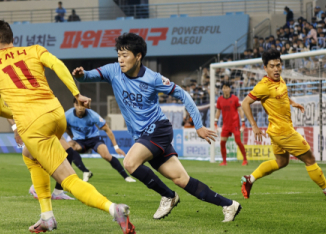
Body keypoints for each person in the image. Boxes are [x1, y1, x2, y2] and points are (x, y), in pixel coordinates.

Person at [0, 20, 135, 234]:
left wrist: (16, 119)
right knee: (29, 155)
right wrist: (76, 94)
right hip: (56, 114)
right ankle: (46, 216)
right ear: (11, 38)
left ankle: (113, 209)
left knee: (68, 180)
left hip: (33, 124)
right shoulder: (33, 50)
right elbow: (58, 65)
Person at [72, 33, 242, 222]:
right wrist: (81, 75)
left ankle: (168, 196)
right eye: (118, 55)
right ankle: (229, 204)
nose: (120, 60)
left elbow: (184, 95)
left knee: (129, 163)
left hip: (158, 129)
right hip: (143, 136)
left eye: (125, 55)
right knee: (181, 179)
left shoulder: (153, 79)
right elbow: (88, 76)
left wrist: (199, 126)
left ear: (138, 56)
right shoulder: (113, 71)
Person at [240, 49, 326, 199]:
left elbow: (280, 97)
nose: (276, 69)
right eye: (272, 66)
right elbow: (245, 103)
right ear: (265, 68)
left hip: (277, 131)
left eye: (278, 65)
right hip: (284, 132)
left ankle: (250, 179)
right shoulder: (263, 86)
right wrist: (254, 125)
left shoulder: (280, 79)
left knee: (281, 162)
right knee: (309, 159)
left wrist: (292, 103)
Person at [7, 118, 89, 200]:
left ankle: (57, 192)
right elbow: (7, 113)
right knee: (43, 156)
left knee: (68, 152)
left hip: (49, 122)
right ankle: (38, 187)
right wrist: (15, 129)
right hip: (36, 125)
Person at [66, 98, 136, 183]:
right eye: (78, 105)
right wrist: (71, 135)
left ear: (85, 105)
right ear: (74, 105)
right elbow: (64, 126)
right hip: (79, 141)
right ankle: (86, 171)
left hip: (94, 139)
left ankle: (126, 176)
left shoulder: (93, 115)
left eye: (82, 105)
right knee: (69, 146)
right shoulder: (67, 115)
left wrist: (116, 147)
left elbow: (107, 129)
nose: (80, 108)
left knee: (106, 155)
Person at [215, 83, 248, 166]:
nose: (225, 89)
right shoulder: (219, 100)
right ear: (222, 89)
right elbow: (218, 111)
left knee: (238, 141)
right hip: (226, 125)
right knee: (222, 142)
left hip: (235, 124)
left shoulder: (235, 99)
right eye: (223, 88)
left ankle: (245, 159)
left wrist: (243, 122)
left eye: (226, 88)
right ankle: (224, 161)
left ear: (229, 89)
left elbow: (240, 110)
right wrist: (215, 122)